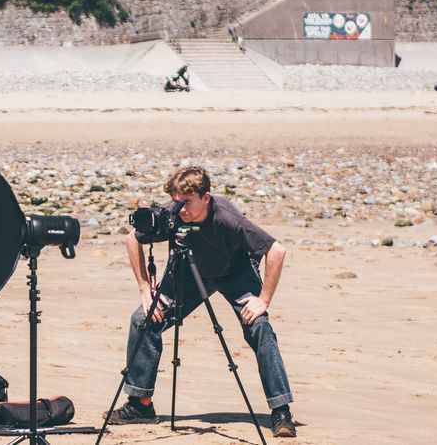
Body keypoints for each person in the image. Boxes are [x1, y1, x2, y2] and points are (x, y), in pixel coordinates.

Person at [105, 166, 297, 438]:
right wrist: (145, 290)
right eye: (176, 201)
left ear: (205, 197)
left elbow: (276, 250)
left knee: (260, 327)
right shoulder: (172, 213)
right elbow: (132, 239)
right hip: (188, 274)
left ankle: (281, 411)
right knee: (143, 320)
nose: (180, 209)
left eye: (186, 202)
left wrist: (263, 299)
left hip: (235, 274)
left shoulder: (228, 218)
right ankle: (140, 405)